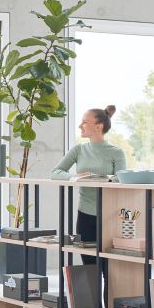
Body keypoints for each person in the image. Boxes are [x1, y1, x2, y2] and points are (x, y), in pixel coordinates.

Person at [48, 105, 127, 262]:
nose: (80, 126)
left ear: (99, 126)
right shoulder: (79, 150)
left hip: (110, 215)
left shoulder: (116, 152)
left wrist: (102, 179)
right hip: (85, 214)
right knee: (89, 265)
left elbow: (121, 179)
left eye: (84, 122)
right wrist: (75, 178)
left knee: (109, 265)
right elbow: (55, 172)